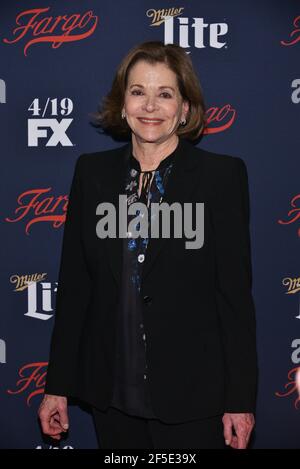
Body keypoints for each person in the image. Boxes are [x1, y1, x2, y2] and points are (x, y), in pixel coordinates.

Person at [38, 41, 258, 449]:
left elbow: (234, 300)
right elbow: (75, 290)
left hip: (193, 398)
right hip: (112, 397)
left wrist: (240, 400)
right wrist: (57, 387)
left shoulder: (221, 178)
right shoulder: (93, 174)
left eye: (165, 94)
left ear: (185, 108)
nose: (150, 106)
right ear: (123, 104)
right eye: (138, 91)